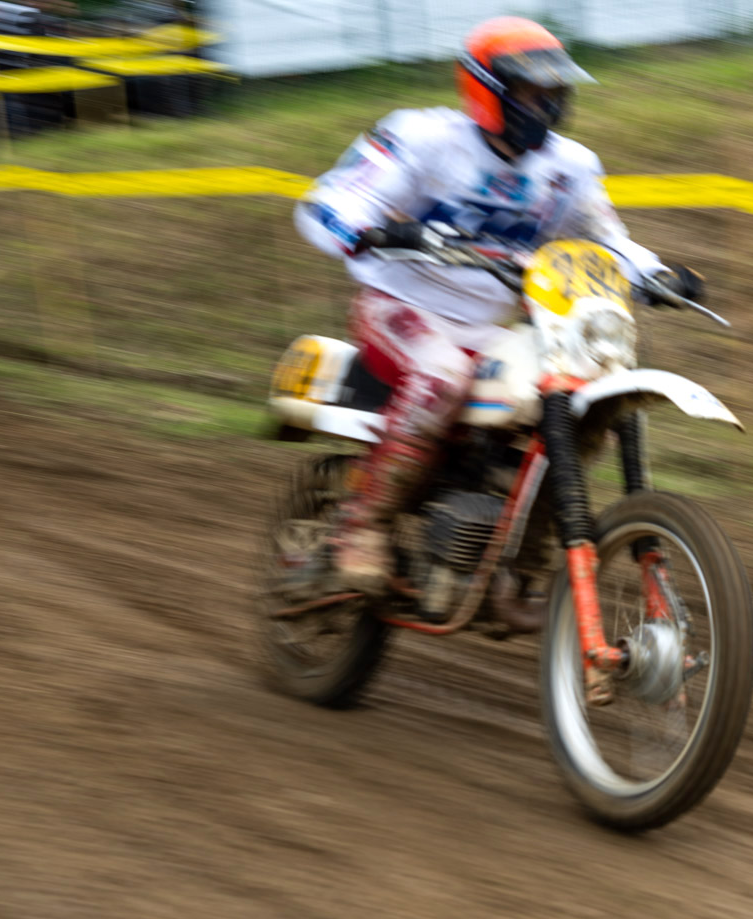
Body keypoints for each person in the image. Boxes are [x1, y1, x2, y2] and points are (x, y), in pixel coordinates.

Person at [294, 16, 701, 595]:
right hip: (401, 306)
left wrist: (656, 274)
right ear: (492, 90)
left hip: (490, 327)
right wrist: (374, 231)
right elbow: (330, 201)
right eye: (538, 91)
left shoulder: (570, 167)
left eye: (559, 91)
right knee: (441, 373)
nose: (552, 104)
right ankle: (363, 527)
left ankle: (523, 557)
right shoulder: (422, 138)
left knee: (584, 395)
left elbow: (606, 243)